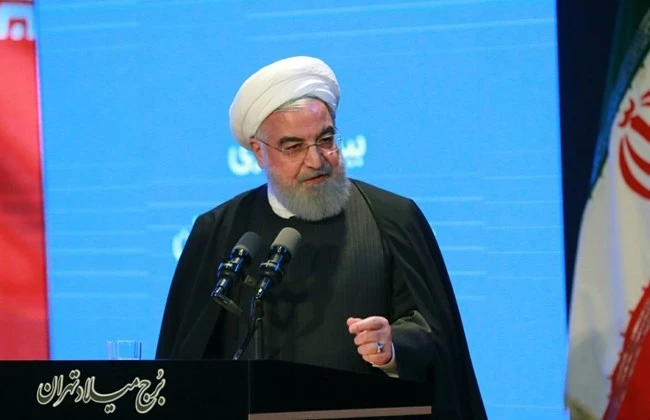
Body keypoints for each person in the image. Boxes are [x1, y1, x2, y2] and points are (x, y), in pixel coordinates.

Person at [156, 56, 486, 418]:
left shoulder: (393, 219)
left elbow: (437, 338)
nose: (317, 159)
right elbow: (186, 360)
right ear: (258, 151)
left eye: (326, 139)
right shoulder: (218, 231)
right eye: (294, 146)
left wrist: (393, 347)